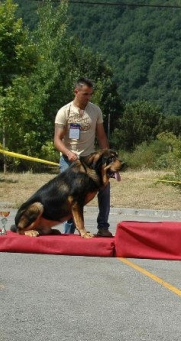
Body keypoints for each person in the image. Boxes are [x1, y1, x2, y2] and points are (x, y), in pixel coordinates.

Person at [53, 77, 113, 237]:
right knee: (72, 195)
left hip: (90, 160)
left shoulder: (95, 111)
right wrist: (68, 153)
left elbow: (101, 137)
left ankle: (103, 227)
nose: (88, 98)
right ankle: (69, 231)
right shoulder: (64, 112)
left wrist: (106, 158)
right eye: (85, 94)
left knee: (105, 188)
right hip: (69, 160)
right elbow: (57, 140)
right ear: (76, 92)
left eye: (90, 94)